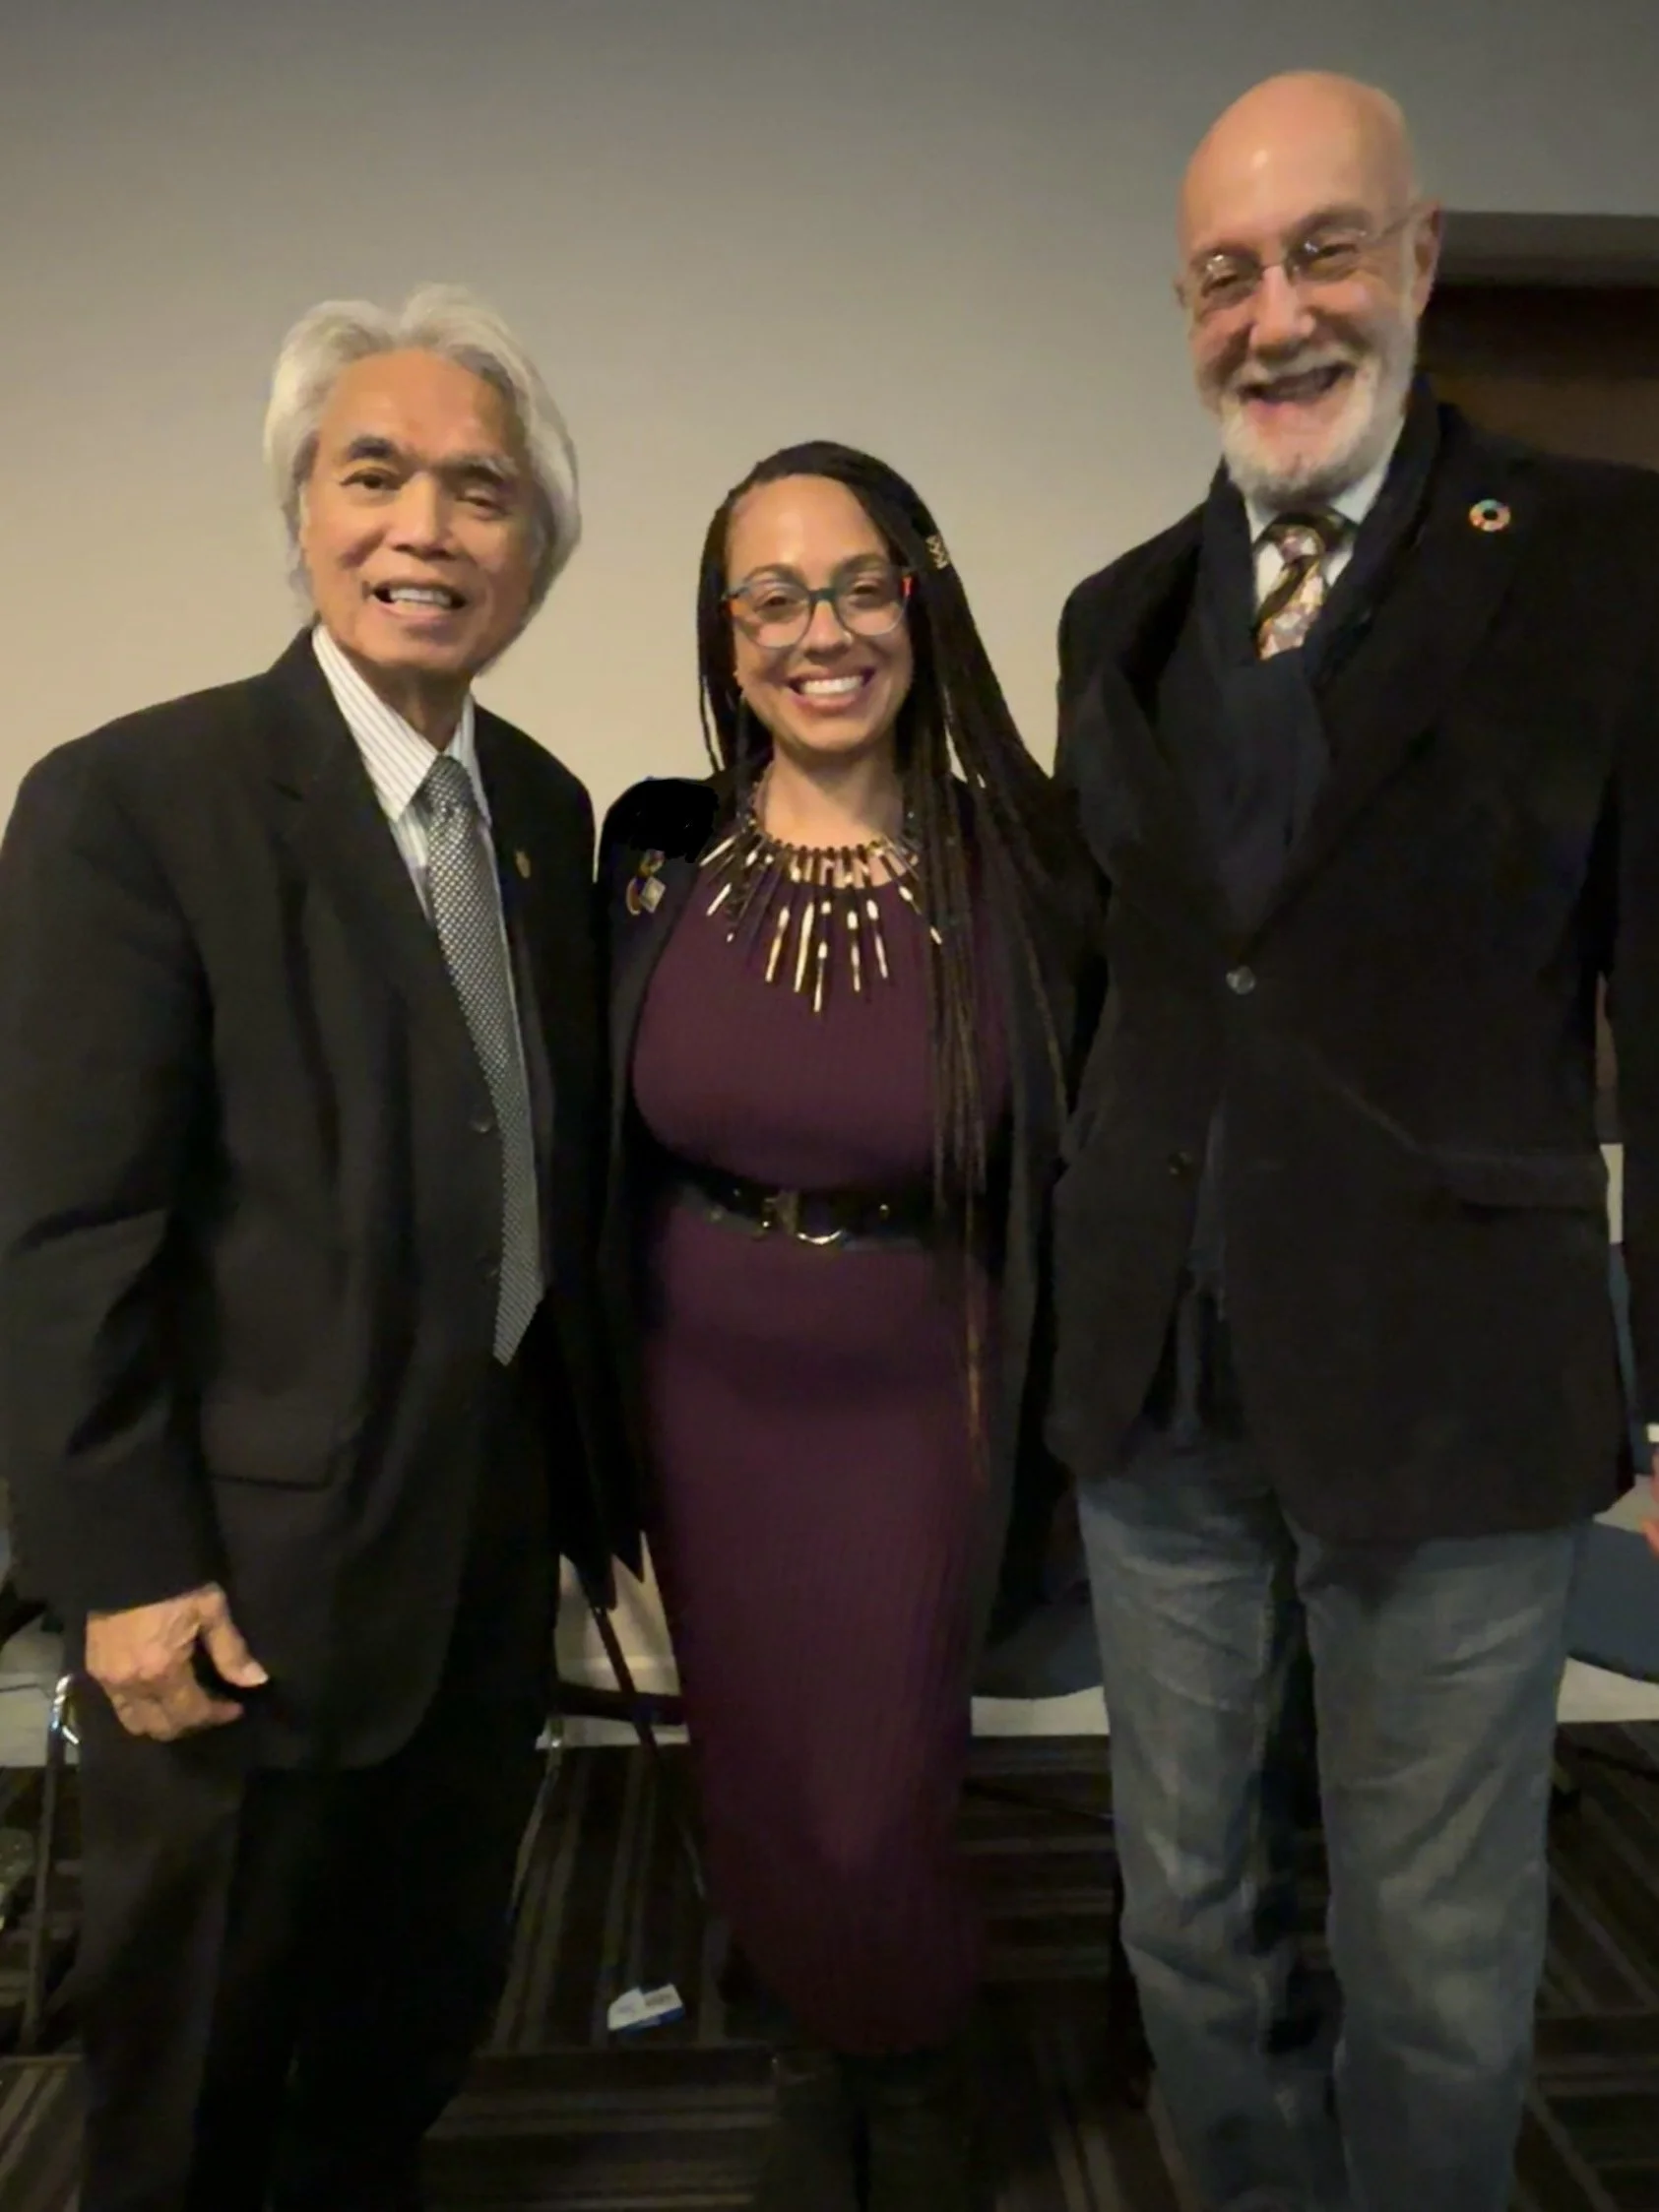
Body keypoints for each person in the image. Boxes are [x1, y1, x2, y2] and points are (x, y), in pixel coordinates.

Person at [1050, 70, 1659, 2212]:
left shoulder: (1601, 557)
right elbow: (1149, 990)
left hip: (1452, 1383)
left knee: (1432, 1960)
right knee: (1186, 1930)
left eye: (1320, 252)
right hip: (1162, 1388)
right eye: (1223, 274)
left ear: (1414, 261)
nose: (1272, 313)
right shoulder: (1109, 615)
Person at [0, 285, 624, 2211]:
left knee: (412, 2004)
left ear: (534, 550)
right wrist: (123, 1566)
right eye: (375, 476)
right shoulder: (135, 801)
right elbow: (64, 1220)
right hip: (235, 1576)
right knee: (194, 2050)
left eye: (479, 490)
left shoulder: (538, 807)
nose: (423, 529)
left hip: (475, 1545)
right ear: (301, 512)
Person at [600, 442, 1090, 2210]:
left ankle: (911, 2037)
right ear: (728, 641)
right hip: (702, 1387)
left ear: (920, 596)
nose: (822, 630)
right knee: (755, 1765)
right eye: (773, 597)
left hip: (921, 1391)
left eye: (857, 584)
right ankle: (830, 2042)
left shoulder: (1020, 866)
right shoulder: (654, 853)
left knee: (882, 1781)